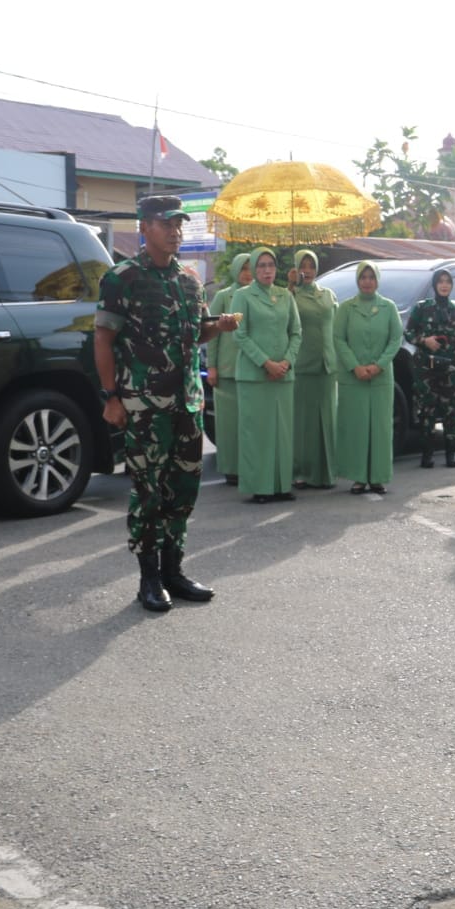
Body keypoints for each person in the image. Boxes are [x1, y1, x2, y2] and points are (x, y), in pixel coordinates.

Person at [94, 195, 239, 613]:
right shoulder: (121, 278)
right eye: (167, 224)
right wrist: (111, 397)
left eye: (179, 224)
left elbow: (197, 334)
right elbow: (103, 339)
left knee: (183, 490)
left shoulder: (190, 280)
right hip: (143, 405)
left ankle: (174, 570)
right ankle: (149, 579)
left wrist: (220, 327)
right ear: (144, 228)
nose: (176, 231)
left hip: (186, 404)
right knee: (148, 492)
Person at [232, 247, 302, 504]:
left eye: (270, 265)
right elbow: (239, 334)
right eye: (260, 265)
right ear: (253, 268)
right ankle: (260, 486)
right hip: (254, 376)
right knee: (258, 432)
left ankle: (282, 485)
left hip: (283, 375)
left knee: (282, 432)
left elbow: (296, 331)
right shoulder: (243, 296)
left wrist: (287, 361)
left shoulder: (285, 295)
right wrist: (266, 362)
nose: (266, 270)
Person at [334, 261, 403, 494]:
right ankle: (358, 477)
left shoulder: (388, 307)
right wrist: (355, 367)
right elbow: (339, 339)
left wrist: (378, 365)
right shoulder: (346, 308)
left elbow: (395, 340)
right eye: (363, 277)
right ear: (357, 280)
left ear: (377, 280)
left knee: (380, 428)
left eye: (371, 277)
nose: (367, 282)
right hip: (353, 378)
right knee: (356, 427)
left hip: (380, 378)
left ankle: (378, 477)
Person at [404, 268, 455, 468]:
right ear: (435, 285)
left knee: (450, 410)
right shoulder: (422, 308)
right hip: (427, 366)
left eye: (448, 281)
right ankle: (427, 454)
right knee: (427, 410)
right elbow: (408, 333)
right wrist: (424, 340)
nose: (444, 285)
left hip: (451, 367)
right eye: (440, 281)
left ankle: (451, 453)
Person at [287, 249, 338, 489]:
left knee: (326, 421)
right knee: (303, 423)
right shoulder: (290, 296)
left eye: (311, 265)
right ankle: (301, 472)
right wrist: (290, 288)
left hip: (327, 366)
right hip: (303, 366)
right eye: (302, 266)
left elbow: (336, 327)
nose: (307, 270)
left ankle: (325, 473)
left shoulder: (328, 295)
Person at [207, 252, 252, 485]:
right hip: (227, 370)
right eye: (244, 269)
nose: (248, 274)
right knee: (228, 424)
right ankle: (231, 469)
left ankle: (249, 465)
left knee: (249, 423)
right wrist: (212, 366)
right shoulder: (225, 296)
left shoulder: (258, 296)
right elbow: (212, 334)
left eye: (250, 268)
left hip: (252, 370)